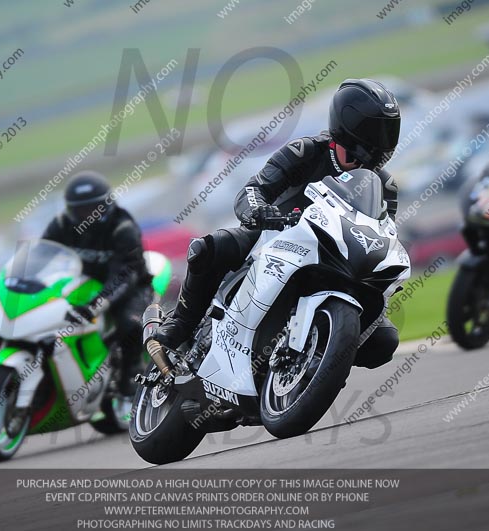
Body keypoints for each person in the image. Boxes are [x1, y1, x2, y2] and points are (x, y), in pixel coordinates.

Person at [153, 78, 403, 370]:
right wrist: (259, 211)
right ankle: (182, 323)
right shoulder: (307, 152)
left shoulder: (385, 186)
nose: (384, 138)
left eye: (389, 128)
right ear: (351, 124)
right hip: (274, 239)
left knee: (383, 341)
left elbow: (385, 233)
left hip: (336, 260)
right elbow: (255, 189)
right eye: (378, 128)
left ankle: (319, 367)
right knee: (209, 248)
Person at [43, 171, 153, 396]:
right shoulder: (61, 225)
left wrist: (96, 305)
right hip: (84, 284)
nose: (87, 215)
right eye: (80, 210)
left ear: (106, 205)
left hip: (131, 287)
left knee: (130, 324)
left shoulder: (123, 228)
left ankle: (131, 372)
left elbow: (124, 276)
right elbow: (41, 255)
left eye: (92, 209)